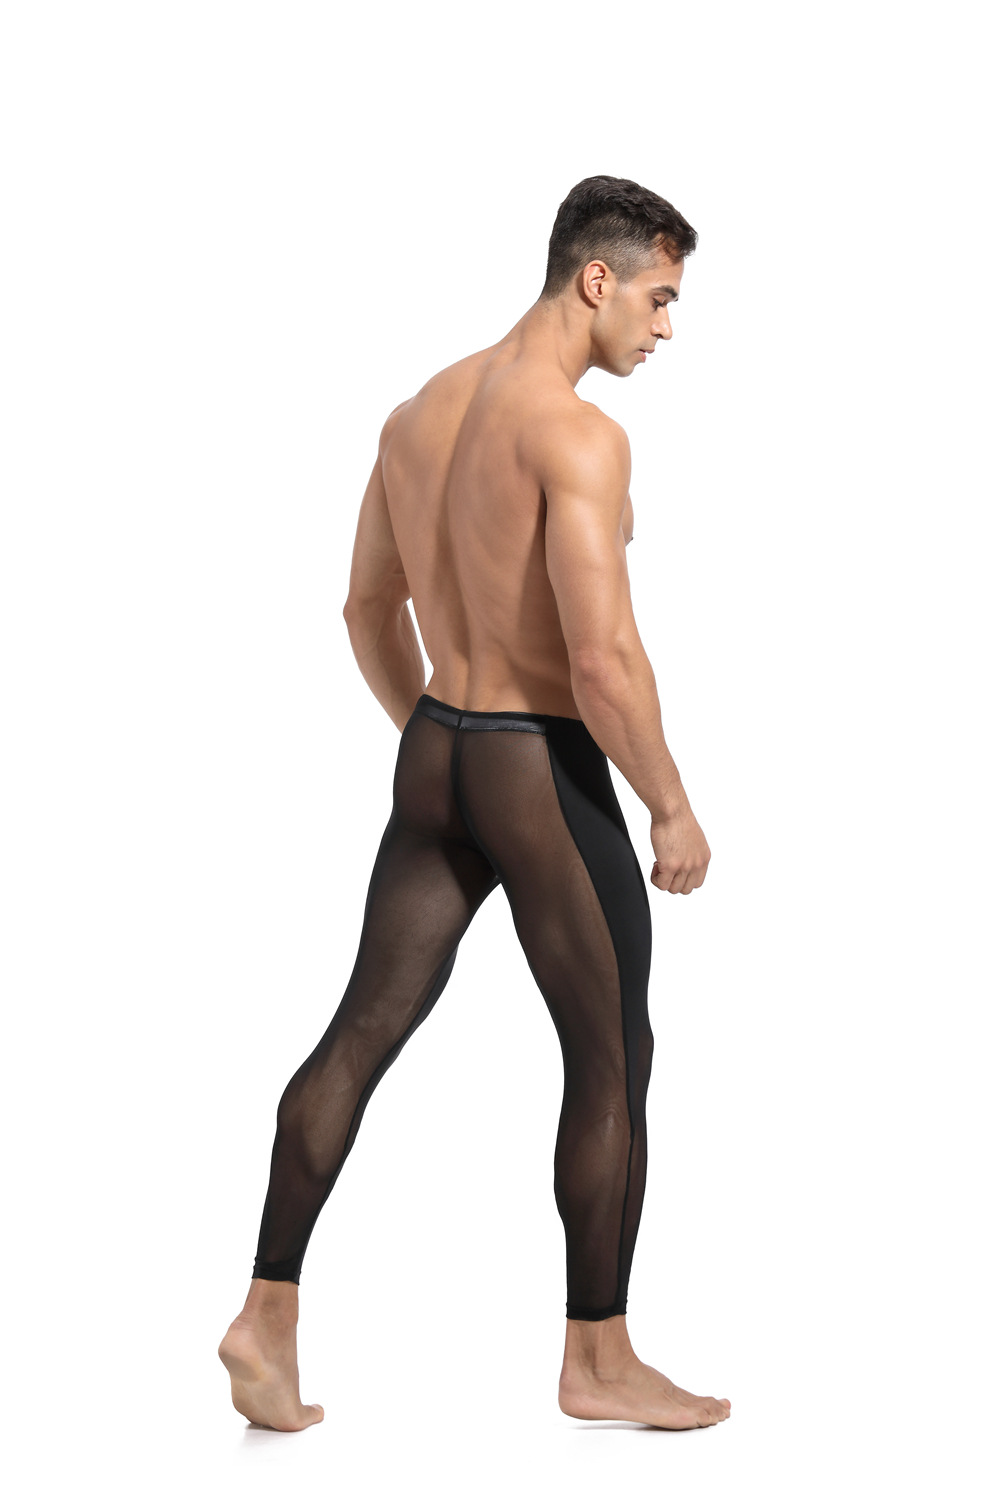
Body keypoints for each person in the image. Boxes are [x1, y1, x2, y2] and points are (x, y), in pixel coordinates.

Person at [218, 174, 731, 1432]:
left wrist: (439, 742)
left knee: (361, 1028)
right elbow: (600, 663)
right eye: (660, 298)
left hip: (438, 749)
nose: (667, 328)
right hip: (537, 762)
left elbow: (363, 609)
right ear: (596, 279)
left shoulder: (418, 414)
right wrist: (668, 803)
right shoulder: (577, 436)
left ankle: (265, 1314)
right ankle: (598, 1358)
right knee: (612, 1055)